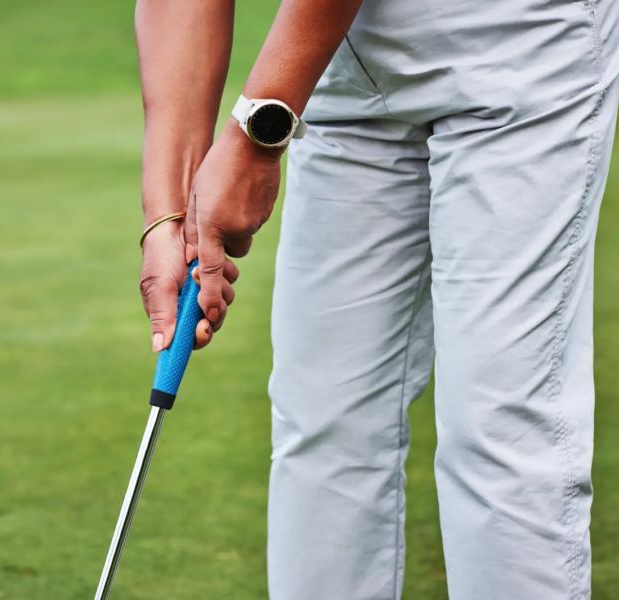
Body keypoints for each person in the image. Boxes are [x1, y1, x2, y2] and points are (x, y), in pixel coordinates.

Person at [134, 0, 619, 598]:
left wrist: (257, 136)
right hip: (339, 61)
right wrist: (170, 215)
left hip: (515, 35)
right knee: (321, 417)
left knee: (497, 425)